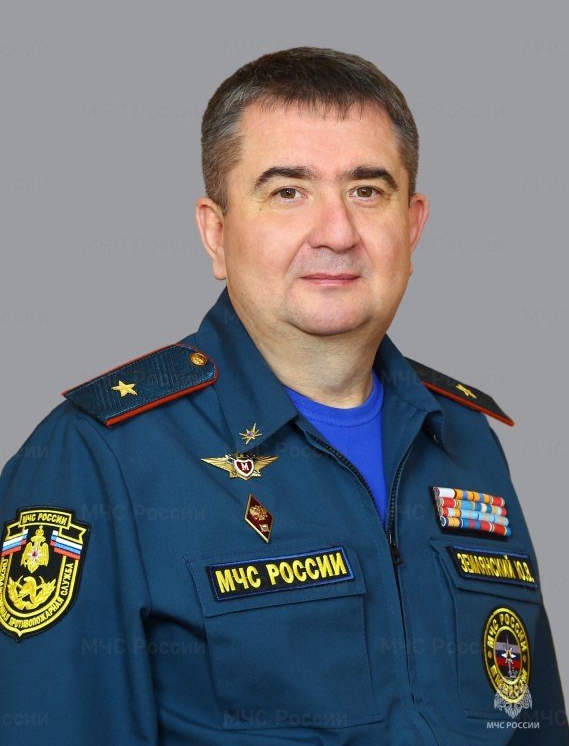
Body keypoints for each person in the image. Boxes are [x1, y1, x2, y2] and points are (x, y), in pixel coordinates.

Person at [0, 47, 566, 745]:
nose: (337, 233)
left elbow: (531, 721)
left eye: (367, 191)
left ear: (412, 224)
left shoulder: (465, 440)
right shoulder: (98, 458)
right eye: (288, 192)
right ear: (216, 232)